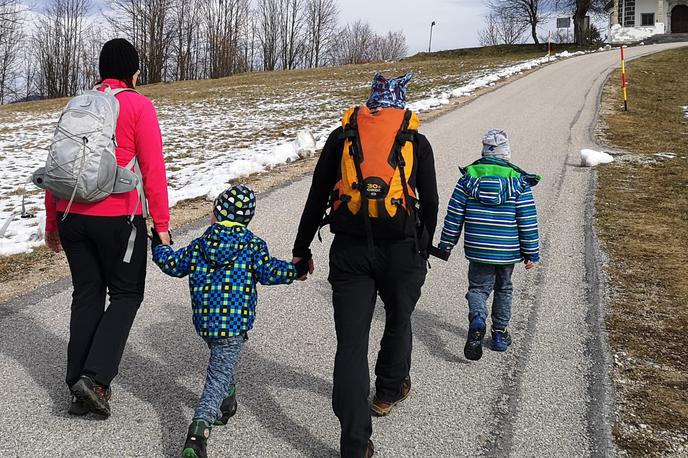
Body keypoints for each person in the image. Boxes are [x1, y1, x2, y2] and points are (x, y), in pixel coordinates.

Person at [292, 72, 439, 458]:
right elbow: (432, 201)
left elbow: (316, 195)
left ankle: (355, 444)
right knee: (399, 318)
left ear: (370, 101)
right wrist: (422, 249)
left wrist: (301, 248)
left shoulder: (343, 137)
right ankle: (388, 391)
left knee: (351, 345)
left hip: (350, 252)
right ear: (401, 101)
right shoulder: (415, 140)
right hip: (402, 250)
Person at [44, 38, 171, 417]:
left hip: (71, 218)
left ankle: (76, 385)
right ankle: (96, 380)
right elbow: (152, 170)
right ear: (134, 73)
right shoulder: (138, 104)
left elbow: (59, 167)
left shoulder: (78, 106)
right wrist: (161, 225)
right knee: (127, 295)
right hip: (118, 219)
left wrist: (52, 223)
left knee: (86, 295)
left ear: (101, 71)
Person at [151, 185, 310, 458]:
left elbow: (172, 264)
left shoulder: (200, 244)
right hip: (234, 325)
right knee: (218, 376)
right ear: (247, 219)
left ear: (215, 215)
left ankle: (228, 402)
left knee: (222, 362)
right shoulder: (252, 245)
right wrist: (296, 270)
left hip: (206, 324)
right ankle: (197, 434)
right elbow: (270, 271)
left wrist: (158, 245)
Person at [437, 129, 540, 361]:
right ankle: (499, 335)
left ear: (484, 152)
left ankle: (478, 319)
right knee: (504, 288)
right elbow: (527, 219)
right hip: (507, 250)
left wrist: (446, 243)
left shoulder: (468, 179)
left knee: (478, 289)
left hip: (478, 248)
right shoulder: (518, 182)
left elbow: (454, 214)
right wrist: (531, 251)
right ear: (506, 155)